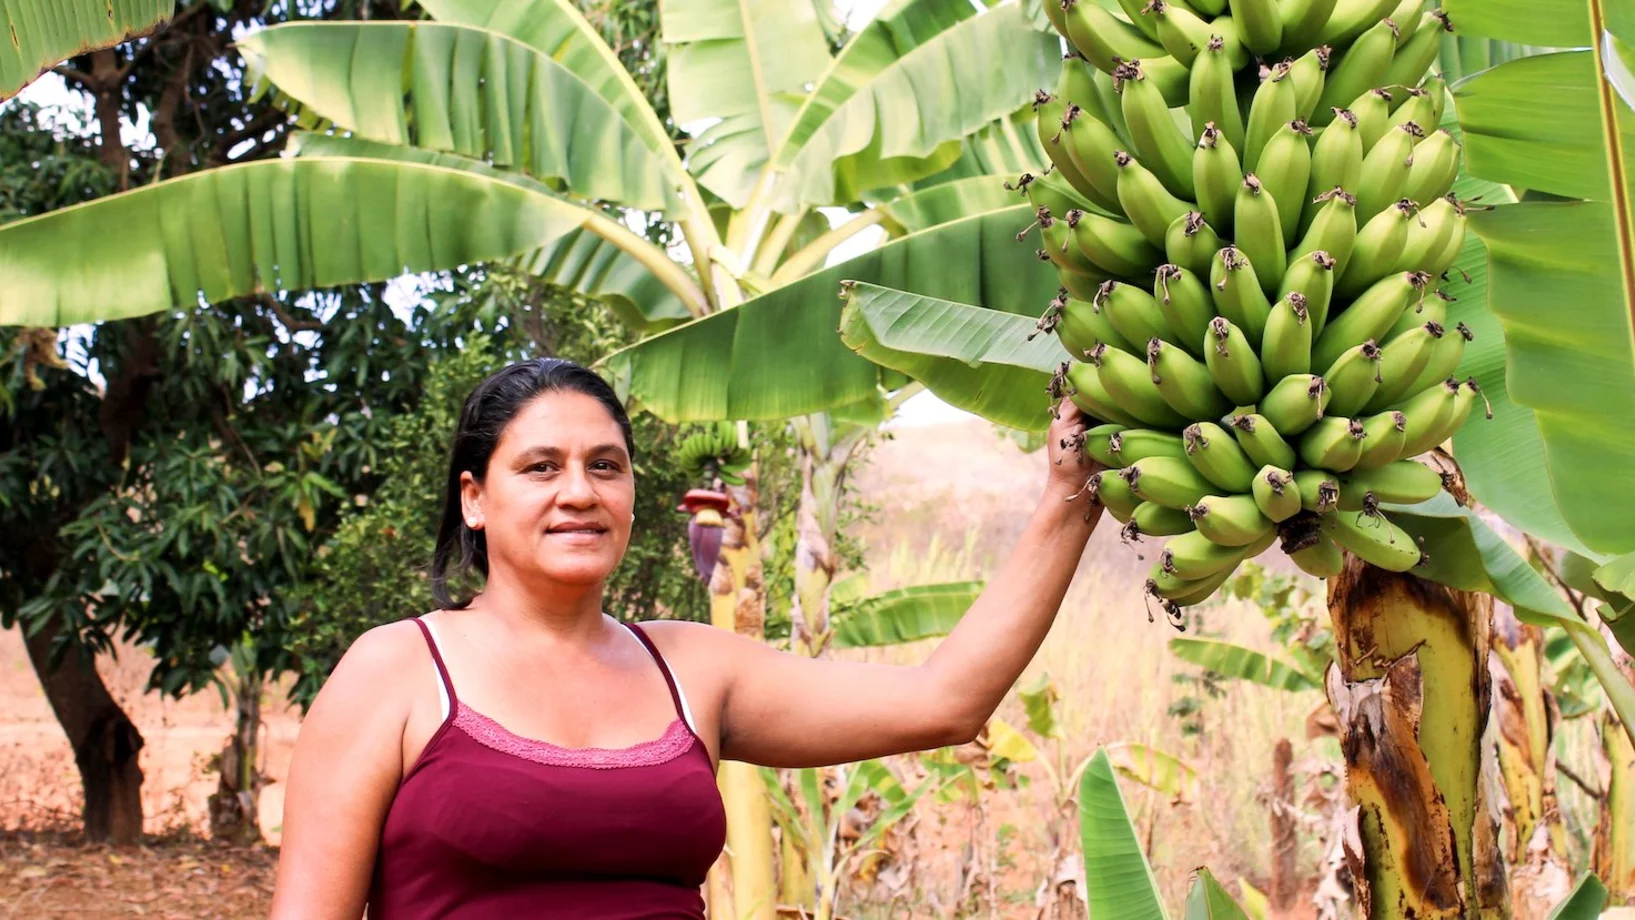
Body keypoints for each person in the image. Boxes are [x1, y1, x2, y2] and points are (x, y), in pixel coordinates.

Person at [269, 358, 1103, 919]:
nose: (579, 492)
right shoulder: (396, 672)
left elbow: (943, 702)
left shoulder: (693, 670)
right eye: (538, 467)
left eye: (606, 465)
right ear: (474, 498)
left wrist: (1070, 497)